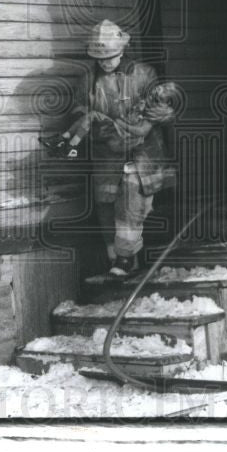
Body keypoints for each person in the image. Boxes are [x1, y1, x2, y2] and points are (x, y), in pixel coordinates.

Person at [60, 20, 178, 278]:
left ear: (122, 51)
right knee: (106, 207)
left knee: (132, 206)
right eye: (99, 58)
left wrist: (148, 122)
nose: (105, 62)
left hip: (142, 155)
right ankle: (118, 262)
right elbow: (78, 110)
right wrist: (93, 125)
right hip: (106, 155)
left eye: (110, 57)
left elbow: (163, 108)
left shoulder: (145, 74)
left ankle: (124, 260)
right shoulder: (88, 80)